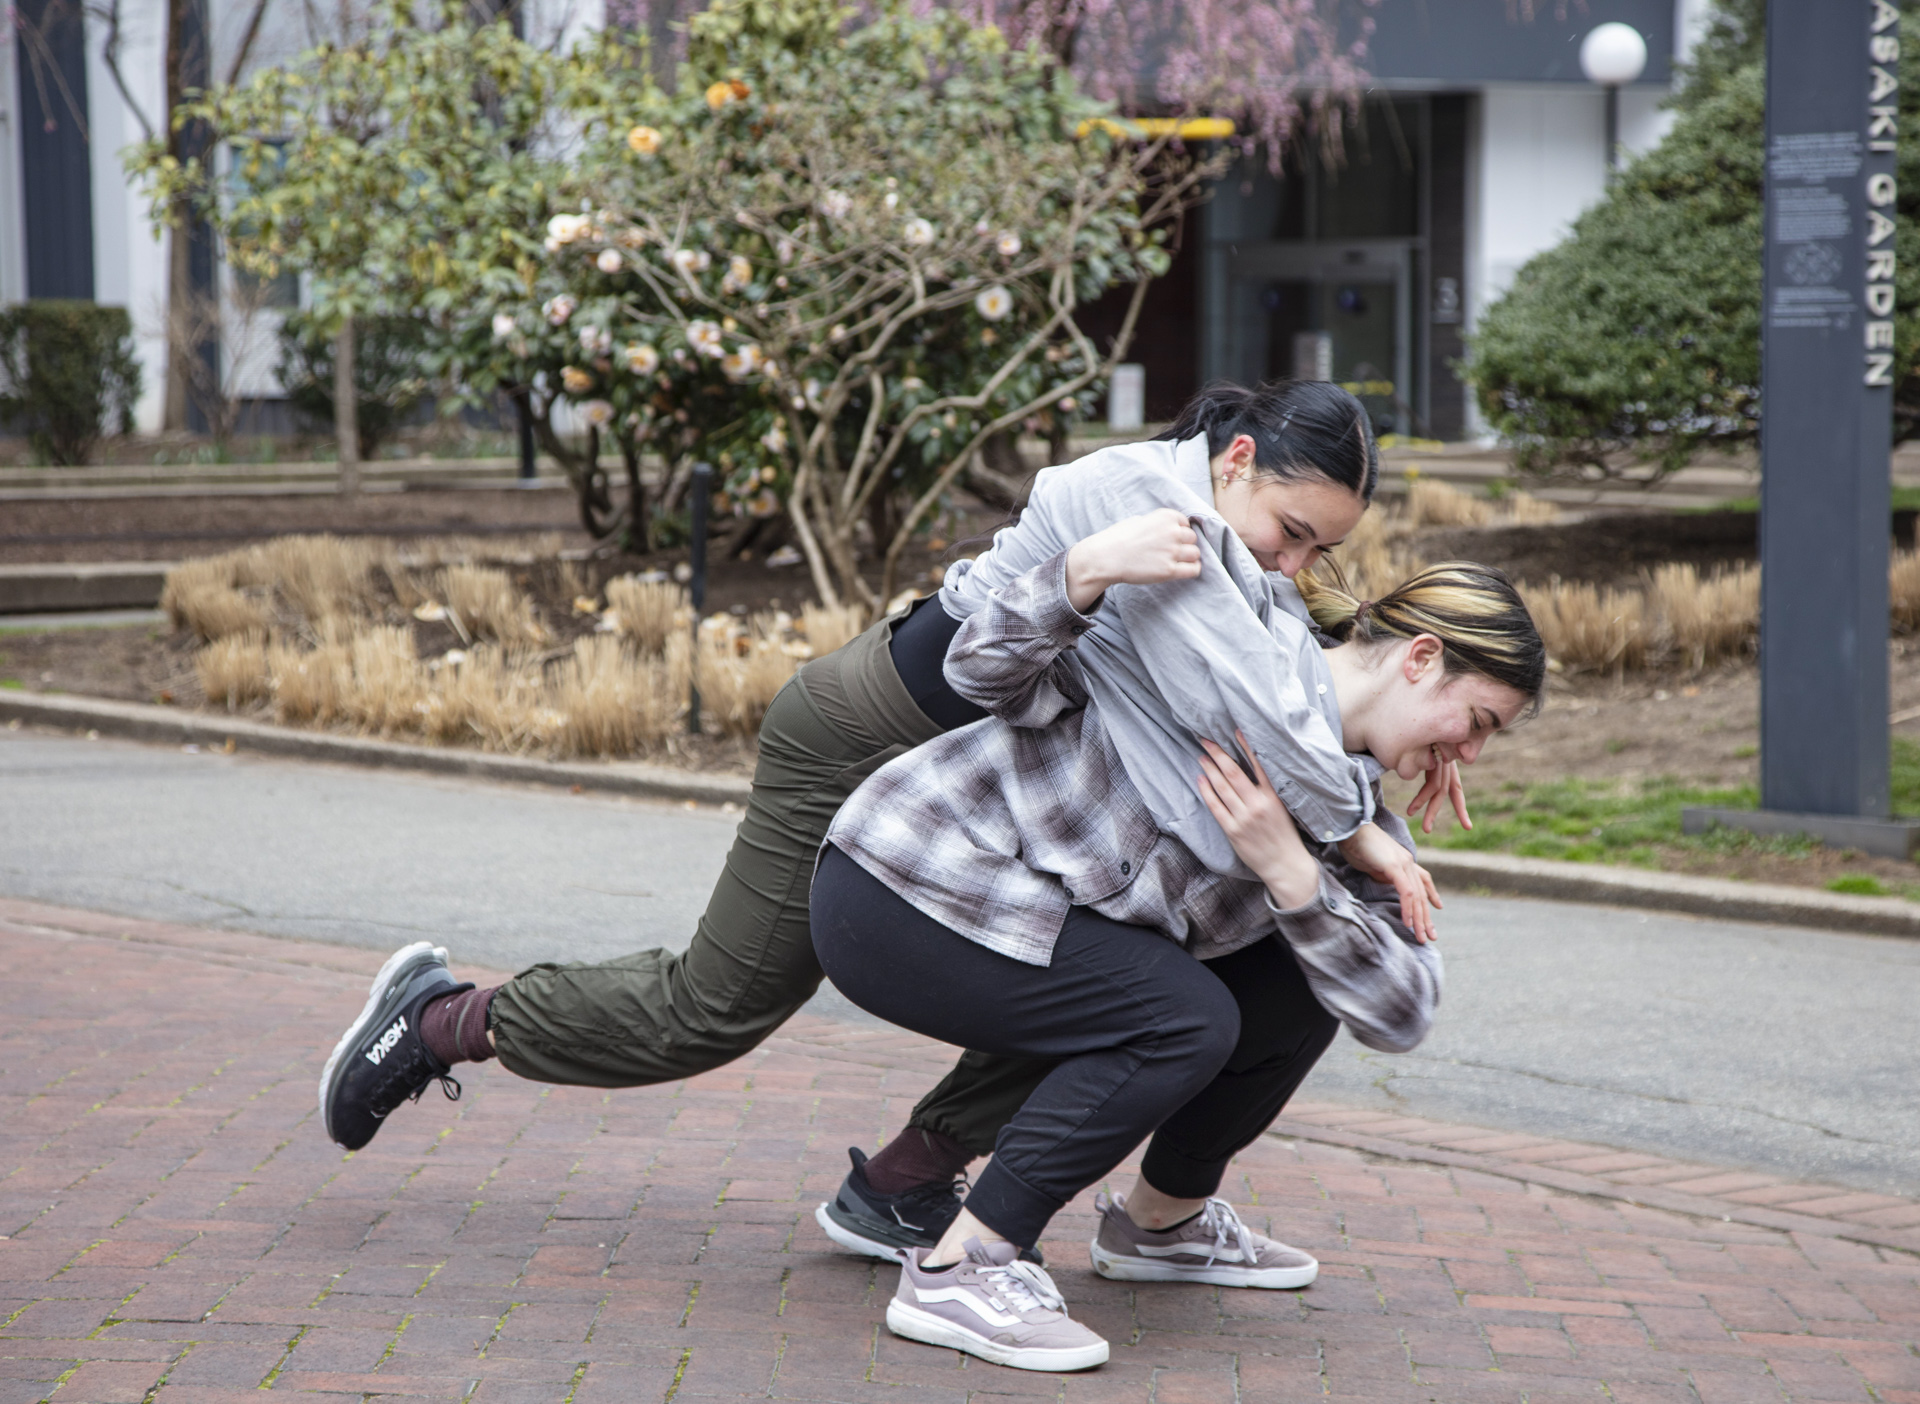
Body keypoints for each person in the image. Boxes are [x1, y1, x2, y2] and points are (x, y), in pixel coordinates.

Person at [314, 380, 1466, 1172]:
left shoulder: (1230, 550)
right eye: (1293, 529)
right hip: (866, 736)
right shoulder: (1135, 506)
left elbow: (1272, 695)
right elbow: (1008, 663)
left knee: (1120, 969)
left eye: (1323, 548)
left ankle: (906, 1181)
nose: (1297, 562)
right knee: (713, 1012)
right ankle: (439, 1022)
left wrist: (1364, 828)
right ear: (1240, 460)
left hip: (976, 790)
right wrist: (1079, 575)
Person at [809, 555, 1545, 1370]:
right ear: (1421, 659)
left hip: (1028, 918)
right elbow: (997, 657)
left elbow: (1402, 1010)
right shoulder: (1207, 653)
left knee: (1302, 969)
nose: (1469, 755)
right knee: (1181, 1016)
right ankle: (964, 1268)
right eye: (1477, 722)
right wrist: (1086, 568)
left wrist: (1299, 876)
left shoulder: (1351, 813)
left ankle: (1159, 1222)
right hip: (901, 881)